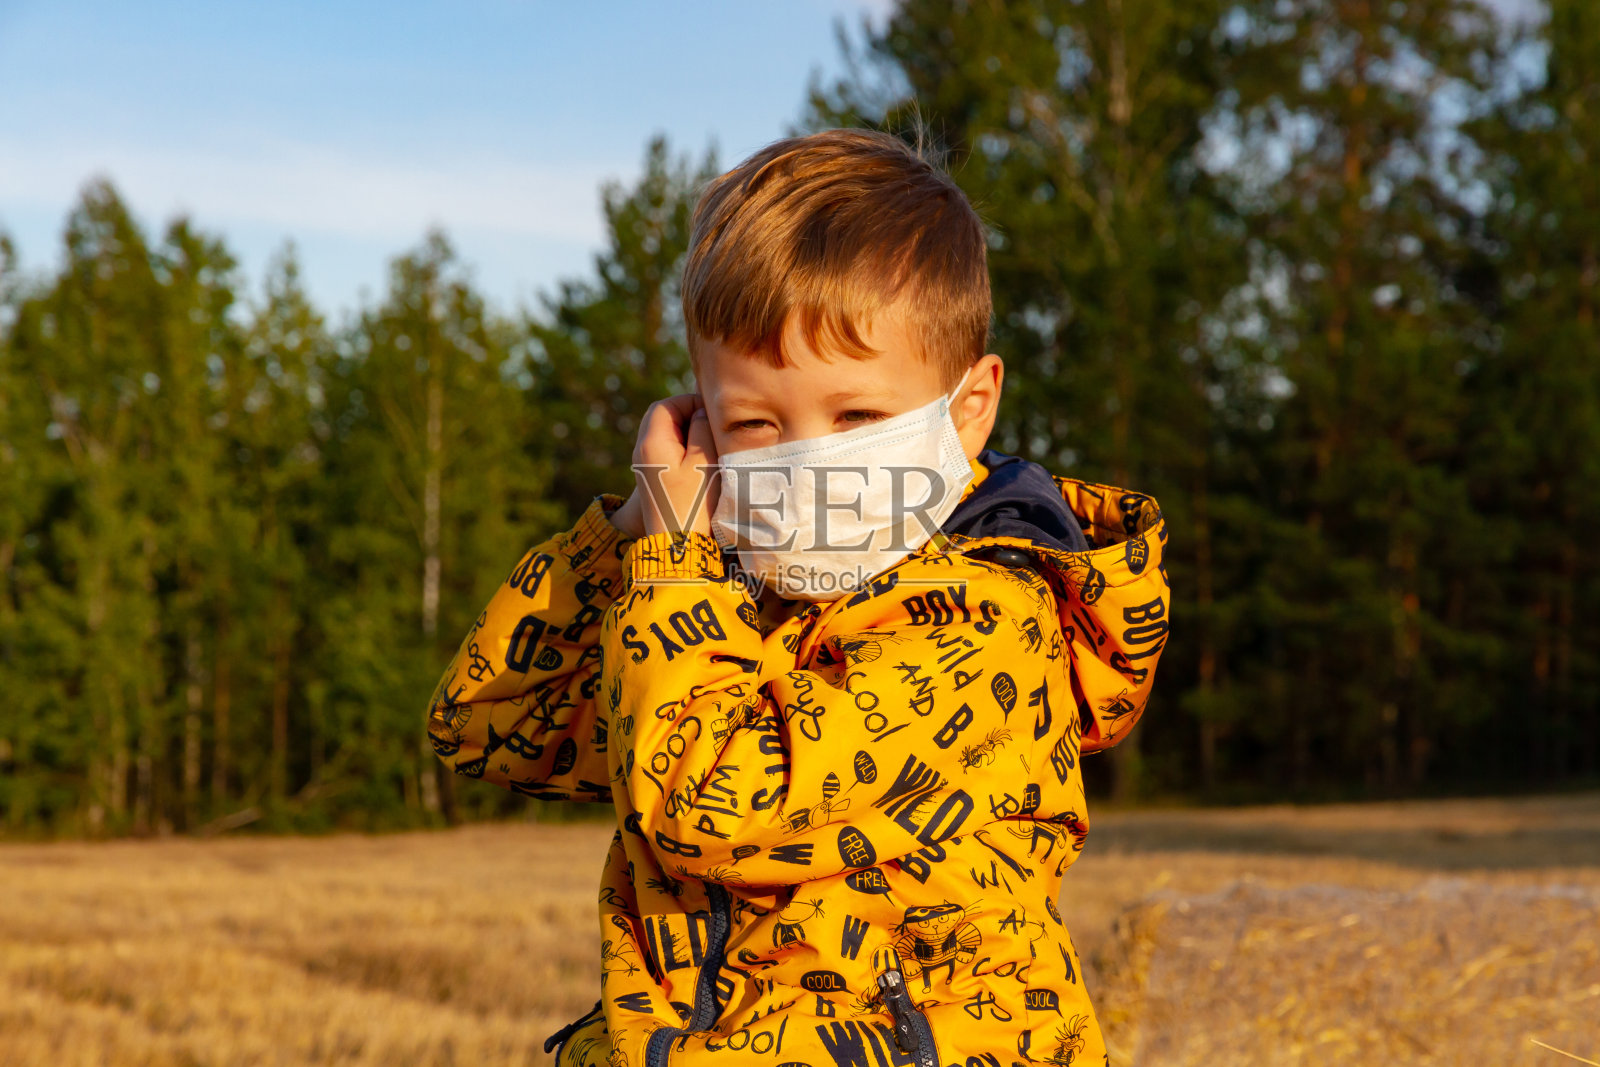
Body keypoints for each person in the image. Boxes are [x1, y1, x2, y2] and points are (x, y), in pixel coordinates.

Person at [426, 128, 1170, 1067]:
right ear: (698, 421)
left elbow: (706, 805)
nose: (805, 458)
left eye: (856, 416)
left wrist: (673, 573)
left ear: (970, 408)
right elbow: (488, 721)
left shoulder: (987, 622)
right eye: (755, 423)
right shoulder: (728, 595)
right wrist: (632, 533)